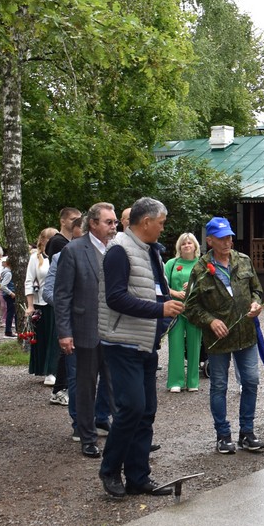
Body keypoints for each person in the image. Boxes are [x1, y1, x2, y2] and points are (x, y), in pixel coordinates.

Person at [97, 197, 182, 497]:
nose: (162, 229)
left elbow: (156, 292)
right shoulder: (119, 250)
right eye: (160, 223)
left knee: (145, 411)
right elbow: (115, 298)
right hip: (122, 343)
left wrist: (170, 307)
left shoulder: (151, 252)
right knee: (131, 407)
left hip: (146, 343)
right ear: (146, 223)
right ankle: (109, 471)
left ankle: (138, 477)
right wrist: (159, 311)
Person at [184, 217, 264, 454]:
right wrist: (210, 320)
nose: (228, 241)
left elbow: (256, 290)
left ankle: (247, 433)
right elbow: (190, 307)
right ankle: (223, 435)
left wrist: (256, 303)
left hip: (245, 334)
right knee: (219, 385)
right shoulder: (200, 268)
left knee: (250, 381)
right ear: (209, 240)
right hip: (218, 339)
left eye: (229, 236)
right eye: (221, 238)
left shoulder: (244, 261)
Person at [54, 202, 118, 458]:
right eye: (109, 222)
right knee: (85, 385)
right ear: (93, 224)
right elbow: (62, 295)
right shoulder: (73, 250)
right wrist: (64, 332)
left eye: (115, 222)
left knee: (116, 385)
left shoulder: (118, 248)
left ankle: (129, 436)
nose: (114, 227)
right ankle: (87, 437)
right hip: (85, 330)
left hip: (115, 331)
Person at [26, 228, 65, 403]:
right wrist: (30, 305)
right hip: (42, 302)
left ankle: (53, 370)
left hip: (57, 302)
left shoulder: (61, 256)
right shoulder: (35, 258)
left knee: (56, 337)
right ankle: (45, 369)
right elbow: (29, 280)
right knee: (43, 337)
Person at [164, 232, 203, 394]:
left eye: (189, 243)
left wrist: (194, 287)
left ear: (195, 246)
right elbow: (162, 284)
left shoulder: (202, 264)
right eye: (183, 243)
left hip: (194, 310)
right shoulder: (171, 264)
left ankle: (193, 381)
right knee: (175, 345)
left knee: (194, 345)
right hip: (175, 310)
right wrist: (174, 293)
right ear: (179, 247)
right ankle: (175, 381)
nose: (186, 246)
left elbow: (208, 287)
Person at [0, 257, 15, 338]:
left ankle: (10, 331)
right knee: (10, 313)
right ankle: (8, 331)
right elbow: (3, 286)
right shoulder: (8, 273)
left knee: (11, 312)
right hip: (9, 295)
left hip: (7, 294)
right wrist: (11, 293)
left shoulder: (5, 272)